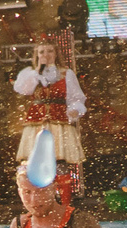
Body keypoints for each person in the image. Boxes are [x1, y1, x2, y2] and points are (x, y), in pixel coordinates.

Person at [10, 34, 86, 173]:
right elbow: (24, 90)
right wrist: (37, 71)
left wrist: (74, 109)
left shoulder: (66, 73)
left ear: (56, 53)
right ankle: (42, 193)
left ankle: (62, 192)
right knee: (35, 162)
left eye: (50, 51)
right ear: (37, 55)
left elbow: (76, 97)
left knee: (60, 163)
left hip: (59, 122)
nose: (46, 55)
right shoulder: (30, 74)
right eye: (42, 52)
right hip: (36, 123)